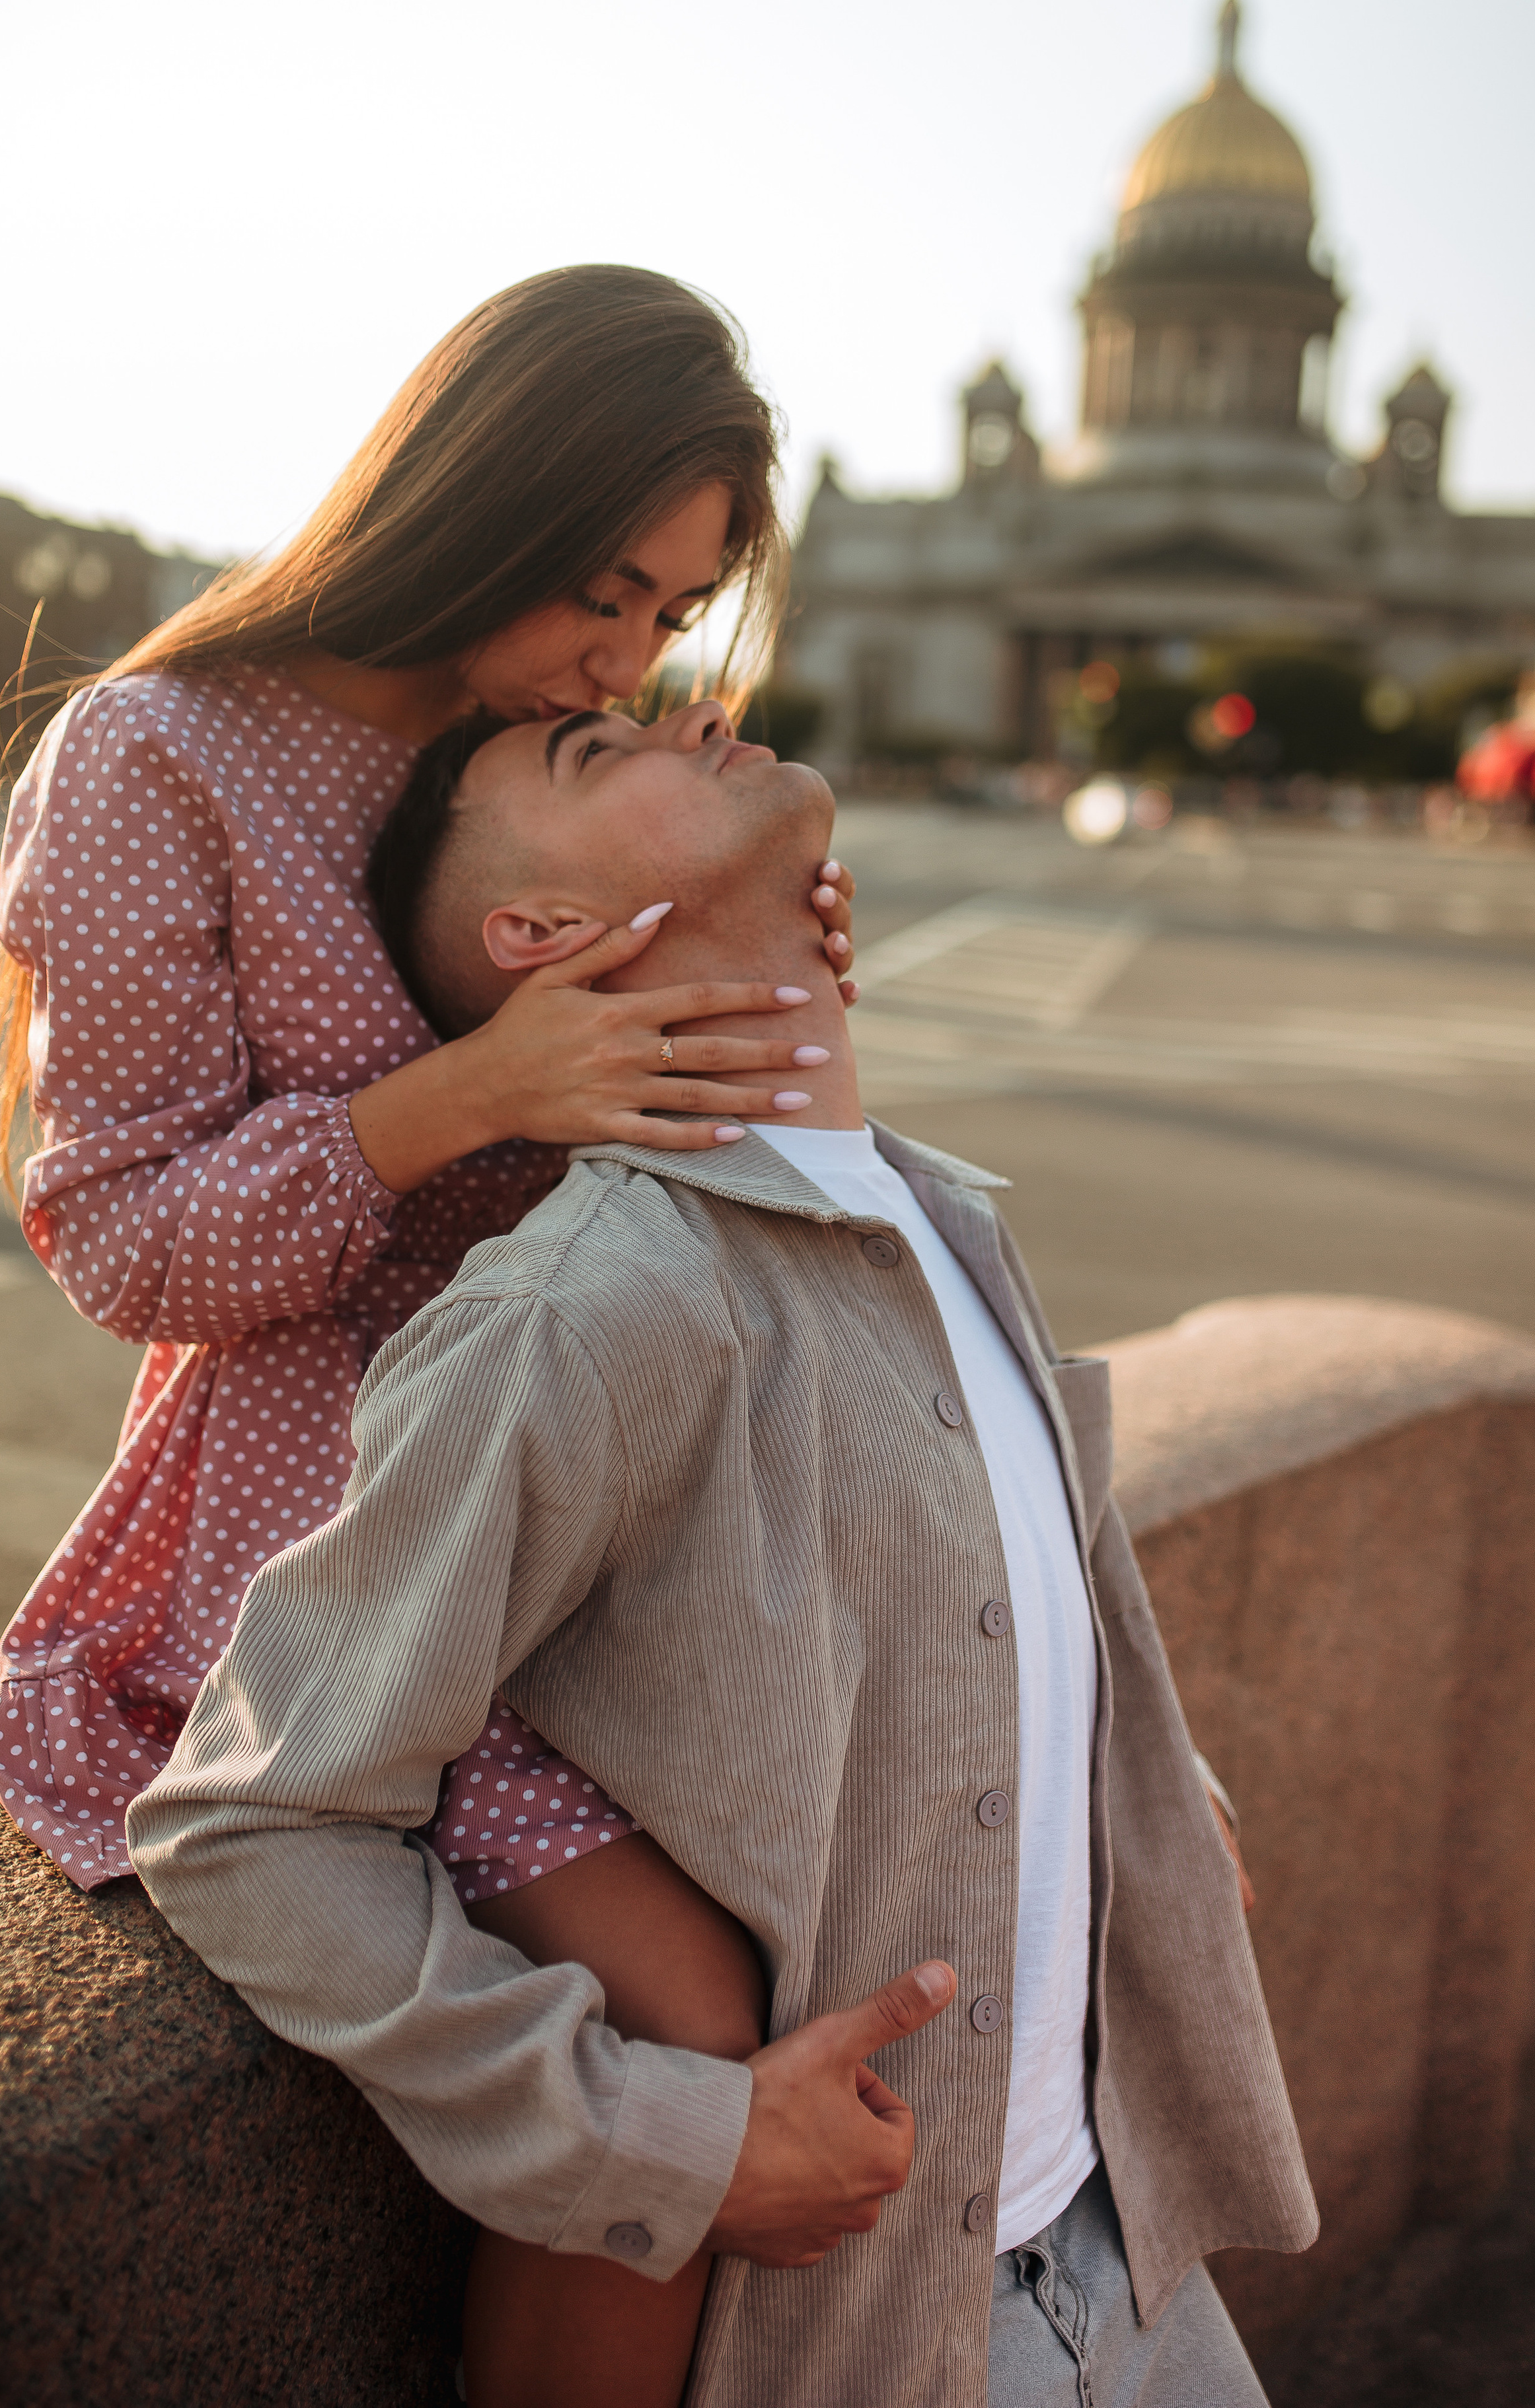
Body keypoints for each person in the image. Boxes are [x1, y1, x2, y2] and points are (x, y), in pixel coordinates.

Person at [130, 692, 1319, 2407]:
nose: (695, 706)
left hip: (1130, 2261)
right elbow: (251, 1819)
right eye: (598, 756)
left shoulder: (933, 1208)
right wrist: (655, 2138)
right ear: (544, 935)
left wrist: (1138, 1770)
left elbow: (995, 1594)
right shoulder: (589, 1306)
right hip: (897, 2325)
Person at [0, 265, 857, 1896]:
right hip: (347, 1528)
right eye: (605, 592)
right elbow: (122, 1247)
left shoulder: (541, 751)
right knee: (698, 1999)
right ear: (482, 500)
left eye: (667, 614)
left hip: (626, 1479)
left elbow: (701, 1148)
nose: (626, 661)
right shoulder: (157, 752)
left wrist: (757, 968)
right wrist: (482, 1090)